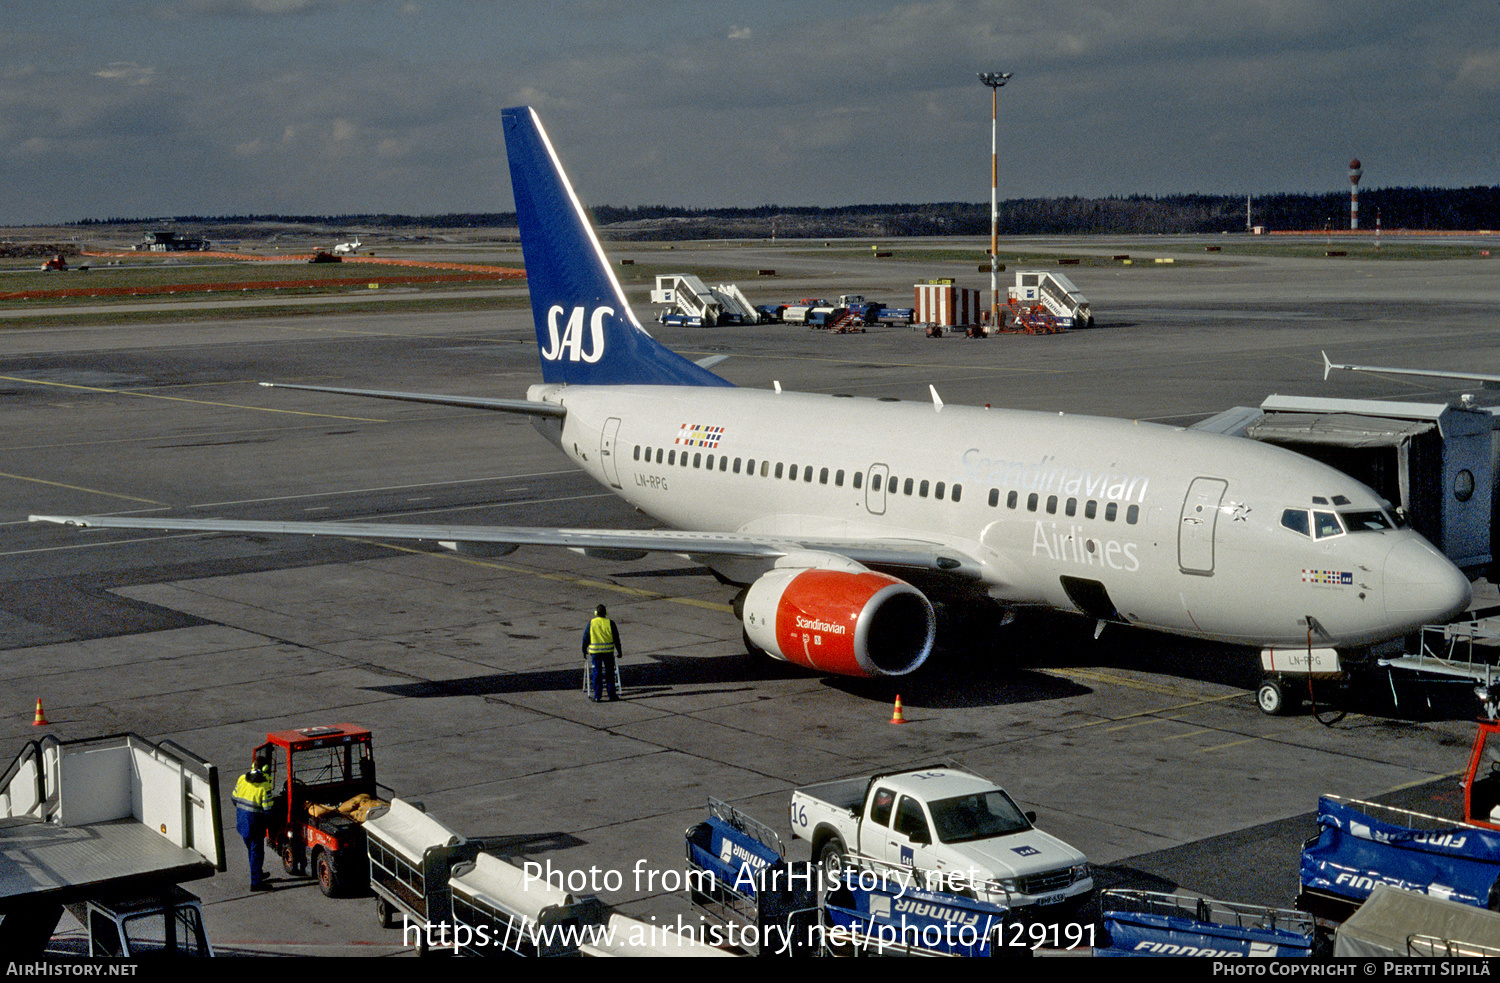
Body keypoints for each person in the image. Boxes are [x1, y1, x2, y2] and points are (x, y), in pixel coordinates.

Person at [233, 758, 275, 891]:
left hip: (242, 822)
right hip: (255, 825)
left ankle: (258, 872)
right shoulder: (264, 787)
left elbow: (233, 799)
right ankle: (256, 883)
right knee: (256, 852)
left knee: (251, 851)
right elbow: (268, 810)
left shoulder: (241, 779)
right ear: (265, 770)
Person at [582, 603, 622, 702]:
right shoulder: (610, 623)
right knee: (610, 673)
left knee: (597, 673)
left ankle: (597, 696)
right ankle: (612, 695)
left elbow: (586, 638)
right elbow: (616, 638)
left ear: (596, 613)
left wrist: (584, 650)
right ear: (606, 613)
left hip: (595, 653)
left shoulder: (592, 623)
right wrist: (619, 651)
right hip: (608, 652)